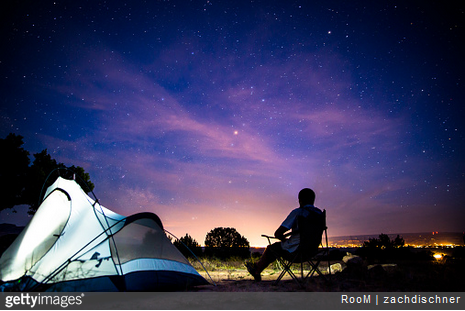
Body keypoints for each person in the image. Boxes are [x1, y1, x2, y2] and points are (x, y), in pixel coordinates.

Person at [245, 188, 323, 281]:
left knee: (272, 248)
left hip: (296, 252)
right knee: (278, 247)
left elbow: (278, 233)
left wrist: (284, 239)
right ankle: (257, 267)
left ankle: (257, 270)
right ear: (313, 199)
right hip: (312, 251)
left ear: (300, 200)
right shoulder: (319, 214)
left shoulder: (298, 212)